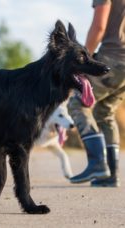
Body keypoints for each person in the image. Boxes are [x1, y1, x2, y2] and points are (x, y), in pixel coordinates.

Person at [68, 0, 125, 187]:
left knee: (78, 103)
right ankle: (110, 175)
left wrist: (85, 60)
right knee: (104, 112)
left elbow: (99, 26)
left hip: (112, 58)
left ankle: (97, 163)